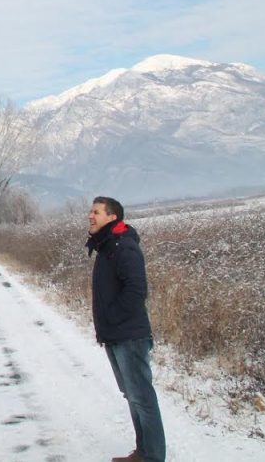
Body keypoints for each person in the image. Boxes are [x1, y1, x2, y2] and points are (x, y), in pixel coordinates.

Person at [86, 196, 166, 462]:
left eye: (96, 212)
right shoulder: (108, 245)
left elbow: (136, 290)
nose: (90, 216)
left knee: (142, 397)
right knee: (132, 396)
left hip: (130, 336)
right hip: (116, 335)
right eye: (91, 211)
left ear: (112, 217)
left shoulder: (123, 247)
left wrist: (112, 317)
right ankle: (143, 452)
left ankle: (153, 456)